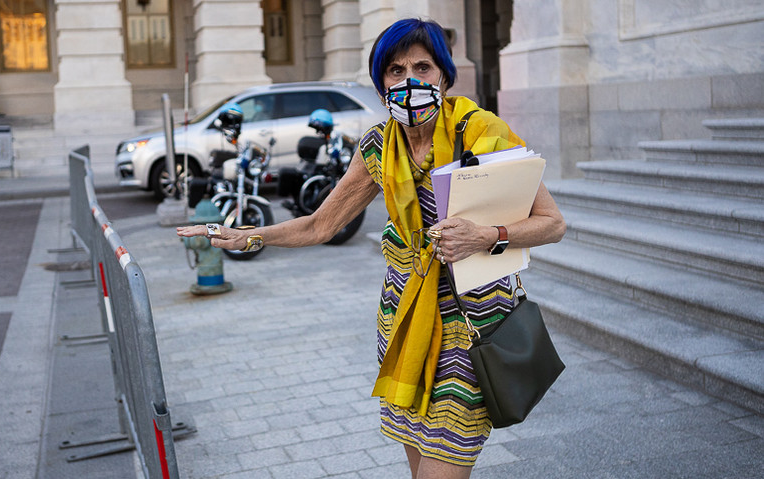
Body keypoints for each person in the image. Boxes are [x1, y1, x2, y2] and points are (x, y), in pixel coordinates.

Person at [178, 18, 565, 479]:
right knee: (416, 455)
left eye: (422, 68)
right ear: (382, 82)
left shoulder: (480, 131)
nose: (409, 81)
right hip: (402, 322)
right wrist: (248, 236)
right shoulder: (379, 147)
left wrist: (486, 236)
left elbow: (552, 223)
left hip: (472, 323)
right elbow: (321, 225)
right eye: (396, 71)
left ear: (443, 74)